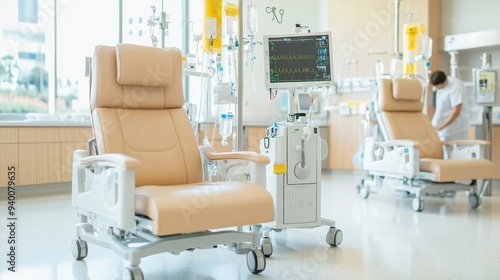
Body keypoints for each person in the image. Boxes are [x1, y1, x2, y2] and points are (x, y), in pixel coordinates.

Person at [430, 70, 469, 142]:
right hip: (443, 129)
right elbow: (441, 108)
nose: (437, 89)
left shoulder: (455, 87)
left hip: (455, 129)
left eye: (438, 87)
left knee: (454, 151)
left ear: (443, 83)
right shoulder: (444, 85)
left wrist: (442, 126)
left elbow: (456, 111)